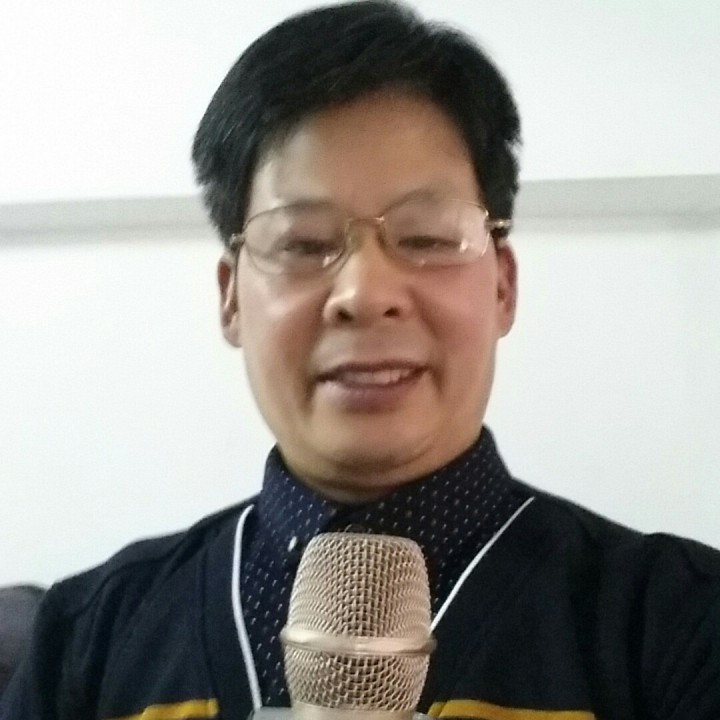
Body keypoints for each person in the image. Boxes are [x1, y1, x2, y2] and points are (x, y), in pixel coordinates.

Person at [3, 2, 719, 719]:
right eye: (304, 243)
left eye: (427, 238)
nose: (365, 294)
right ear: (231, 298)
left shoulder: (677, 623)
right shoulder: (90, 636)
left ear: (503, 287)